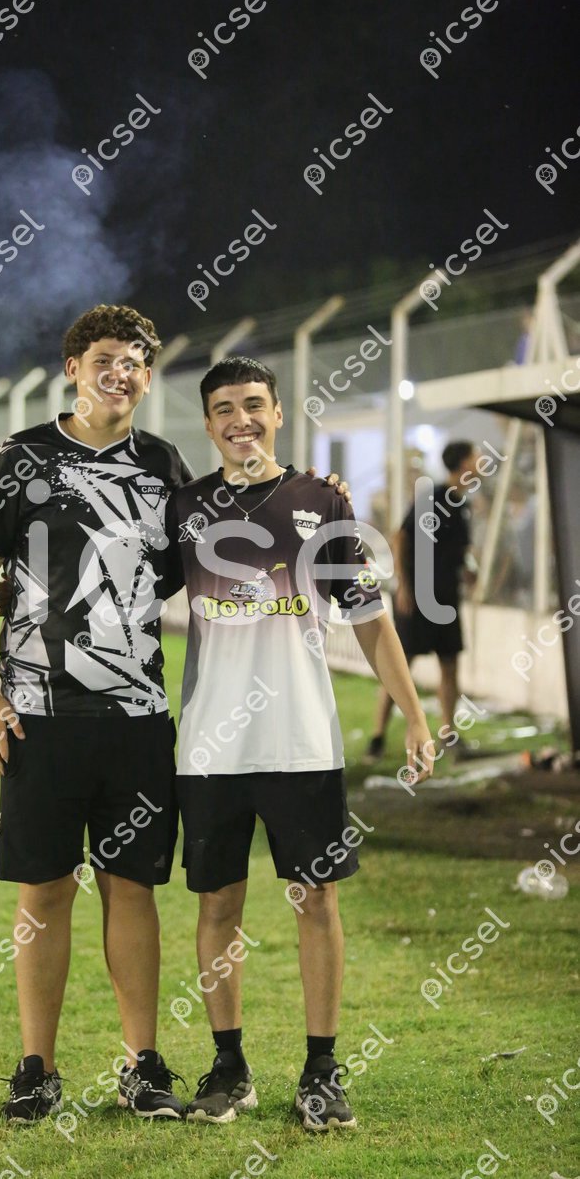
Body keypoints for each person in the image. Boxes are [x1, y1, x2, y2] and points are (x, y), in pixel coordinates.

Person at [166, 355, 433, 1133]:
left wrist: (415, 716)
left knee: (316, 900)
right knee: (218, 903)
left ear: (279, 413)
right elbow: (123, 587)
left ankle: (321, 1071)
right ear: (208, 424)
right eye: (224, 408)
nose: (240, 419)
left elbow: (370, 618)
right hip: (212, 747)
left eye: (254, 404)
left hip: (304, 741)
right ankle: (229, 1068)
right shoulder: (185, 507)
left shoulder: (322, 500)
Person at [0, 304, 193, 1123]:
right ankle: (37, 1069)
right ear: (72, 369)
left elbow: (187, 561)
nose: (118, 373)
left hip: (135, 715)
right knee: (44, 891)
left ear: (147, 378)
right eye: (103, 360)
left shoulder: (161, 464)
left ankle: (141, 1064)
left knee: (133, 889)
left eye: (133, 362)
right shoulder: (20, 456)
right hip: (38, 714)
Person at [365, 440, 478, 763]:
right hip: (417, 596)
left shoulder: (463, 504)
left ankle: (448, 733)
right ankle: (377, 737)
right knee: (401, 665)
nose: (480, 463)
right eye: (475, 458)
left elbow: (459, 550)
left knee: (450, 664)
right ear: (462, 464)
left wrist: (469, 570)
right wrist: (403, 585)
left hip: (447, 597)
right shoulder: (434, 497)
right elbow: (400, 536)